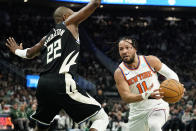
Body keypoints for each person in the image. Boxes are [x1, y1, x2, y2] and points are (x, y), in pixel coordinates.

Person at [5, 0, 109, 131]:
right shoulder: (70, 23)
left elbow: (29, 53)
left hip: (43, 84)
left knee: (42, 127)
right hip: (62, 82)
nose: (76, 15)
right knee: (101, 118)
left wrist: (16, 50)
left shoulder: (46, 38)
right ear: (66, 17)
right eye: (73, 13)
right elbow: (94, 4)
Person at [114, 36, 181, 131]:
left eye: (127, 47)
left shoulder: (150, 60)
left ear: (135, 49)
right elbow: (126, 97)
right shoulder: (119, 72)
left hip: (157, 106)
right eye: (121, 49)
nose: (124, 51)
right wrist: (146, 95)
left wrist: (177, 85)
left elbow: (171, 74)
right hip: (137, 114)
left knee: (154, 125)